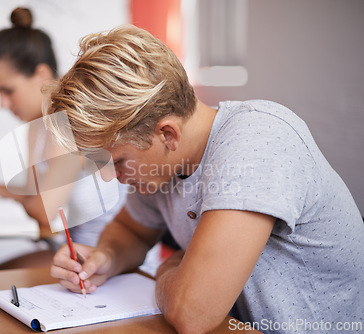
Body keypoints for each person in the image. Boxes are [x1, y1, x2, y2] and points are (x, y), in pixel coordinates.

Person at [45, 25, 364, 334]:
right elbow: (132, 230)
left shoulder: (258, 141)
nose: (109, 177)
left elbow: (192, 313)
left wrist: (168, 269)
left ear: (167, 134)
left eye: (118, 161)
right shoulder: (161, 167)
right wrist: (105, 257)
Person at [0, 8, 126, 267]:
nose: (3, 104)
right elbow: (33, 195)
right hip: (74, 252)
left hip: (110, 260)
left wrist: (11, 195)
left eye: (8, 91)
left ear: (41, 75)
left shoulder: (71, 124)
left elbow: (43, 211)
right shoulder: (36, 127)